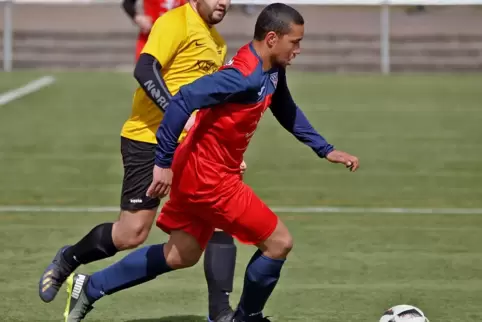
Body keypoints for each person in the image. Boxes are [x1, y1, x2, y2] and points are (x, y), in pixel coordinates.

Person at [61, 3, 360, 322]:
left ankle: (91, 287)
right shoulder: (242, 76)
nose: (299, 49)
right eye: (295, 42)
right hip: (209, 179)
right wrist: (162, 162)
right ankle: (247, 318)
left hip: (202, 171)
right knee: (279, 243)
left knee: (180, 254)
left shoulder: (272, 68)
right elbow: (182, 100)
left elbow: (284, 106)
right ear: (272, 38)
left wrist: (324, 148)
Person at [39, 1, 239, 322]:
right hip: (146, 140)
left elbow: (206, 104)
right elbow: (144, 69)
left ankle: (222, 314)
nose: (223, 2)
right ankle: (69, 260)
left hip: (191, 150)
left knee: (198, 238)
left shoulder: (216, 43)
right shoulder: (175, 22)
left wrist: (224, 152)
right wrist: (176, 113)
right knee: (131, 234)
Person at [122, 0, 187, 60]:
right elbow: (127, 3)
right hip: (150, 39)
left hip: (177, 41)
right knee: (146, 69)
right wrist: (138, 18)